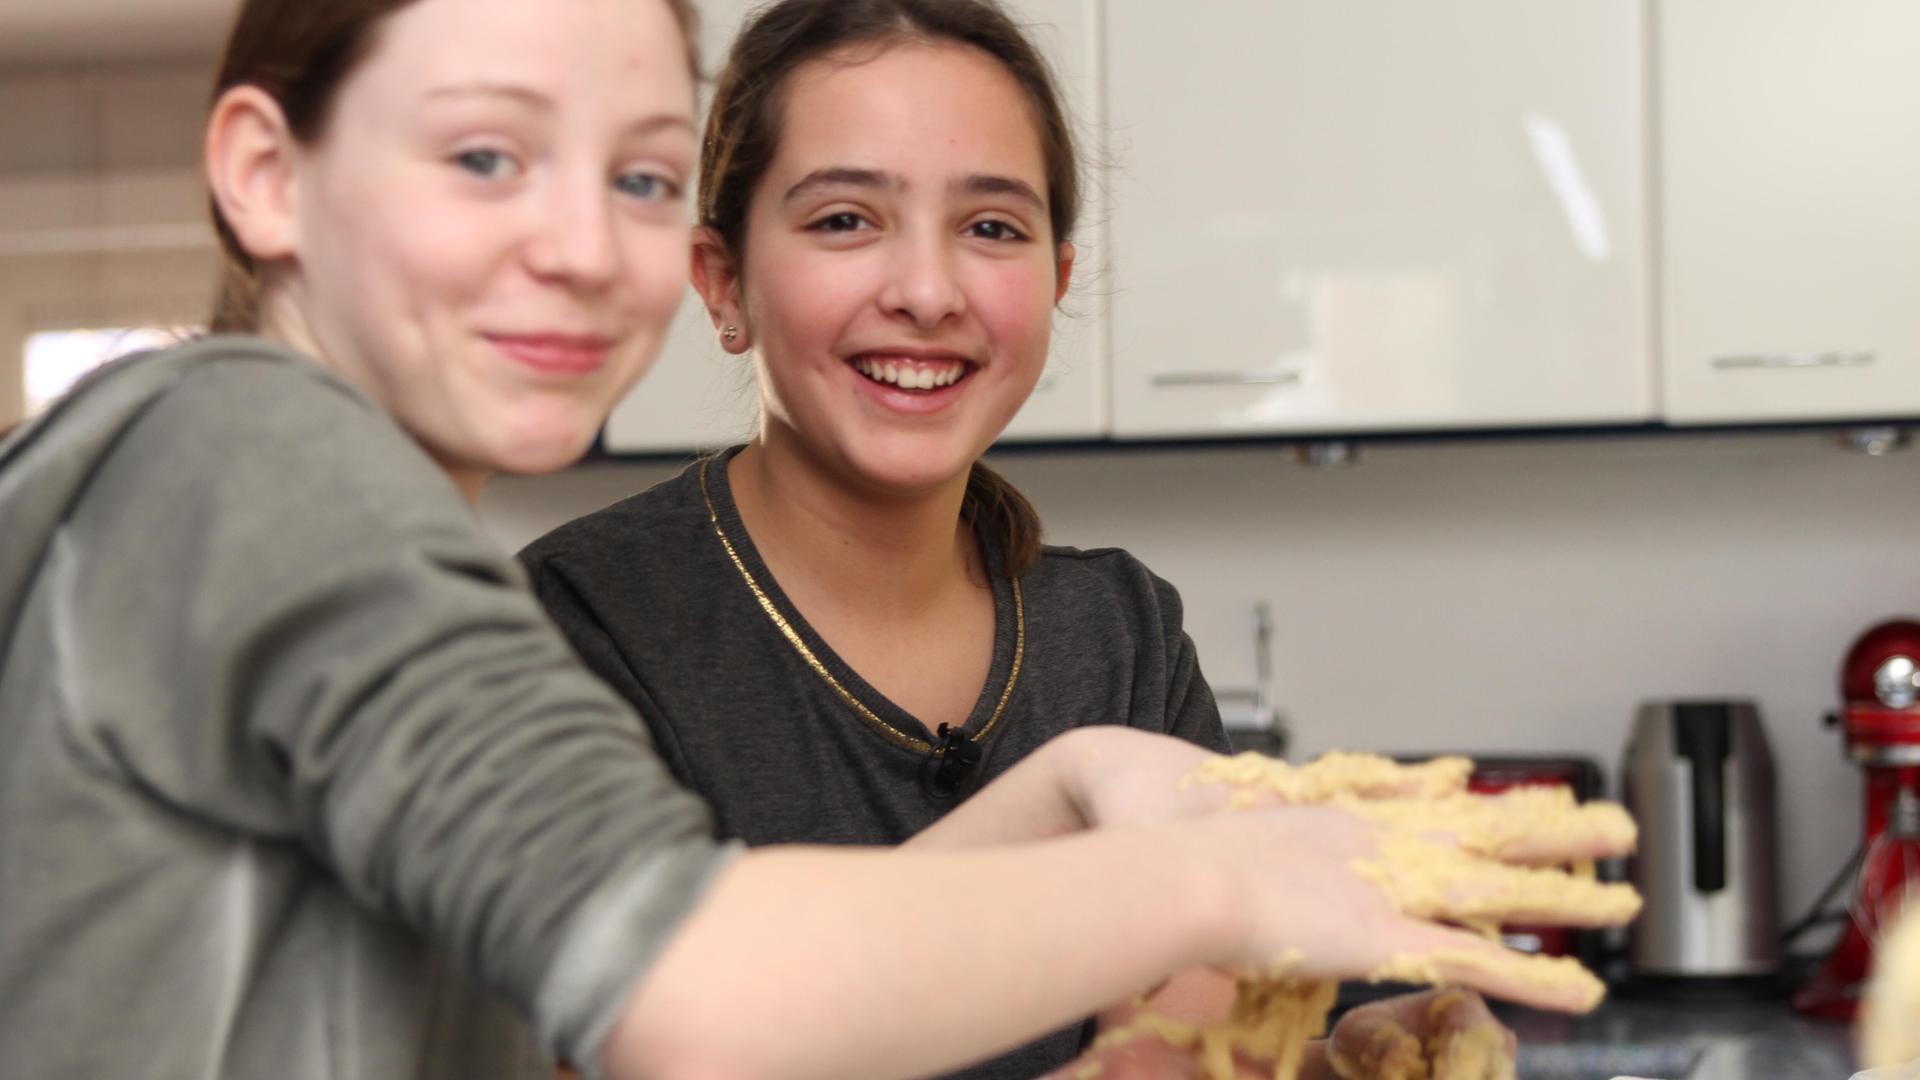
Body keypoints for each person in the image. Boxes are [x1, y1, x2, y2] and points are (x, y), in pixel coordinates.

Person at [0, 0, 1635, 1078]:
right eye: (484, 156)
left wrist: (1072, 798)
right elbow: (686, 986)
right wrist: (1213, 877)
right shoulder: (246, 453)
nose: (581, 245)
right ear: (266, 178)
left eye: (638, 175)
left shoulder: (279, 500)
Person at [510, 2, 1577, 1076]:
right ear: (722, 280)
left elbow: (1190, 1045)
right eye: (844, 219)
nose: (926, 292)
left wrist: (1327, 1056)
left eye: (991, 228)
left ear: (1057, 282)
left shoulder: (1118, 640)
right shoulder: (572, 631)